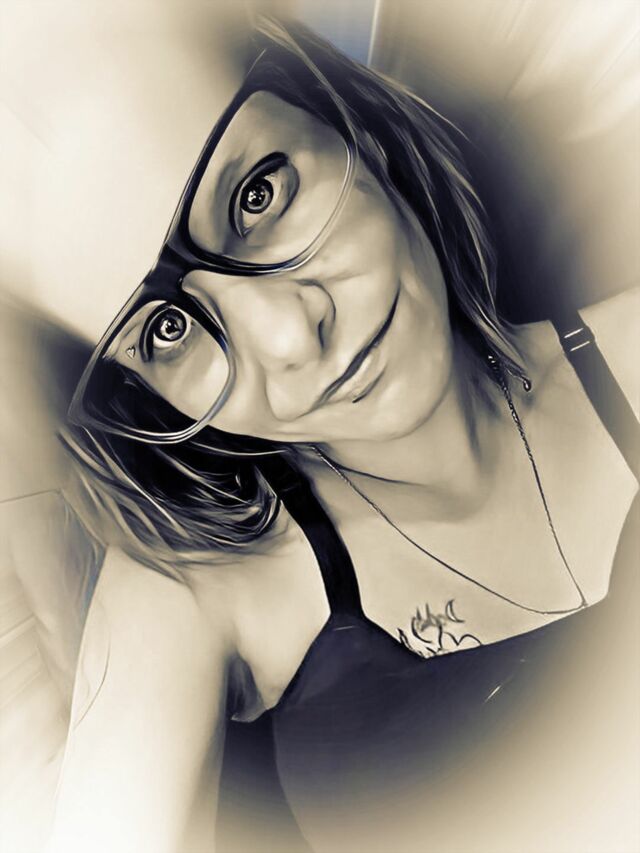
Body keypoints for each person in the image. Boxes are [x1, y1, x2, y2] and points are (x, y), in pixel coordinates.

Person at [47, 15, 639, 853]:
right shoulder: (195, 583)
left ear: (354, 125)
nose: (292, 336)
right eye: (167, 332)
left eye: (258, 196)